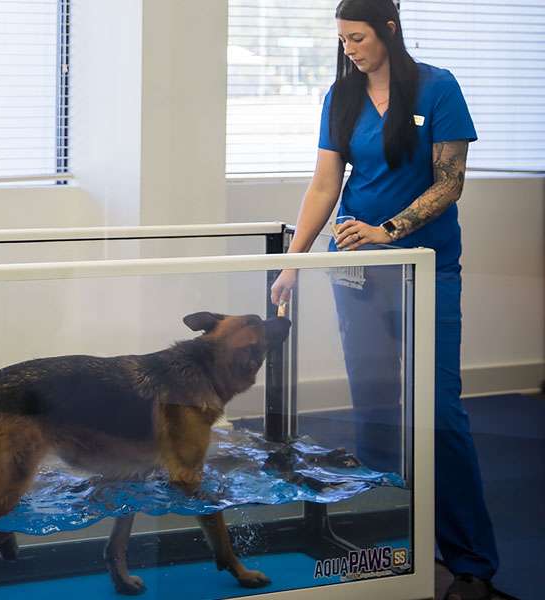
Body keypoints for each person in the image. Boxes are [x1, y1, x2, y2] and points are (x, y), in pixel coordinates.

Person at [269, 1, 498, 599]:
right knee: (374, 409)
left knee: (439, 412)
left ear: (389, 30)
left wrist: (391, 230)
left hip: (427, 268)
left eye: (359, 38)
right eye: (343, 40)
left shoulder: (438, 88)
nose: (350, 49)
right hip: (359, 274)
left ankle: (471, 561)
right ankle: (390, 544)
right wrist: (294, 262)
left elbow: (450, 181)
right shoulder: (340, 99)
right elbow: (325, 184)